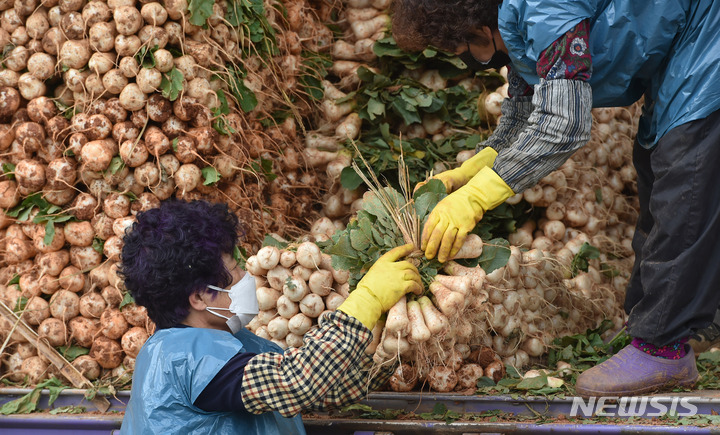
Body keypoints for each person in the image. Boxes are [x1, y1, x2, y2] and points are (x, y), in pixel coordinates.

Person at [391, 0, 720, 396]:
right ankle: (666, 324)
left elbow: (565, 125)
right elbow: (523, 113)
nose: (471, 62)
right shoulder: (514, 25)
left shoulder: (543, 9)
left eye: (463, 53)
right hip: (682, 42)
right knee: (656, 168)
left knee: (684, 181)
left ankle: (662, 347)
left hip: (706, 36)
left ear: (480, 31)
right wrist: (472, 170)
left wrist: (475, 199)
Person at [118, 199, 422, 434]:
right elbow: (295, 382)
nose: (244, 275)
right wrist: (367, 300)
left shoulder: (230, 342)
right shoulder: (187, 361)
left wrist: (388, 352)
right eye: (233, 272)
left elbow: (322, 391)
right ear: (199, 297)